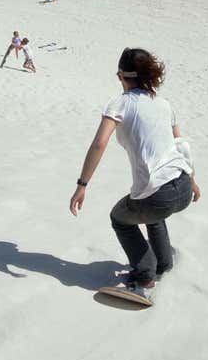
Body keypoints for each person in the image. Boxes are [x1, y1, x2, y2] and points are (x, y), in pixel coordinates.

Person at [69, 48, 201, 300]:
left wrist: (82, 184)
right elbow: (181, 145)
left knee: (120, 218)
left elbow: (99, 144)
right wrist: (193, 181)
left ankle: (145, 278)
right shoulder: (164, 104)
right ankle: (163, 264)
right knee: (152, 213)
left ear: (121, 75)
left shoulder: (120, 103)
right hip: (183, 187)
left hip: (158, 195)